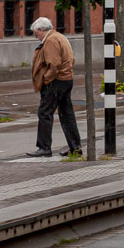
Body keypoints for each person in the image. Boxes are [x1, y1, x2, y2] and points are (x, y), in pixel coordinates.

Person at [28, 17, 80, 158]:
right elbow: (70, 59)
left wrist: (46, 80)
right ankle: (75, 147)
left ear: (41, 30)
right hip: (66, 80)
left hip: (56, 82)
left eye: (36, 33)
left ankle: (44, 147)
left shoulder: (50, 40)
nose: (36, 37)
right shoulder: (59, 37)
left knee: (45, 113)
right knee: (66, 114)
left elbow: (54, 64)